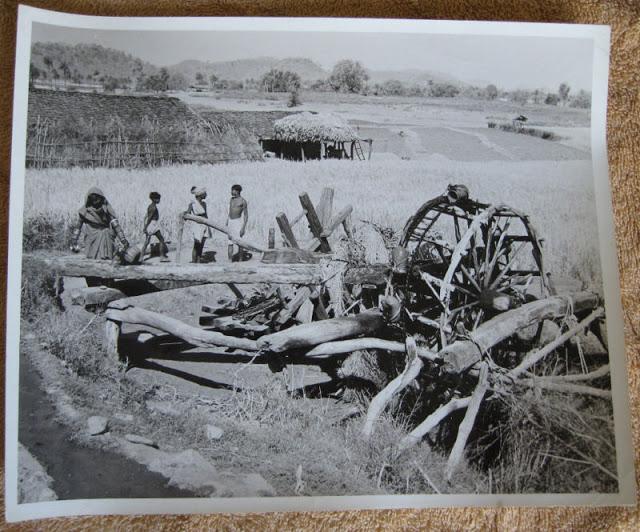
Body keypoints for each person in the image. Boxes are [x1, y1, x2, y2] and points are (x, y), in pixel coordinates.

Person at [71, 186, 128, 260]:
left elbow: (116, 225)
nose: (96, 201)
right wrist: (74, 241)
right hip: (91, 238)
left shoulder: (106, 209)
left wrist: (123, 240)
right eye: (93, 199)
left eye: (97, 198)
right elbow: (78, 227)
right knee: (92, 260)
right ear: (90, 199)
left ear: (101, 198)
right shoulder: (85, 211)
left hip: (106, 238)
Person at [140, 192, 169, 262]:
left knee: (147, 242)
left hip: (151, 224)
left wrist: (145, 226)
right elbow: (149, 218)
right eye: (158, 199)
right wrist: (145, 227)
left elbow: (146, 216)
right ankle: (162, 257)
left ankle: (141, 257)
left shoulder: (150, 206)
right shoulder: (153, 208)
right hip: (153, 224)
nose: (159, 200)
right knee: (161, 239)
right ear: (154, 199)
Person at [185, 187, 211, 263]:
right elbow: (188, 213)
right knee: (196, 244)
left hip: (204, 224)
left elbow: (206, 215)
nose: (206, 195)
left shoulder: (204, 204)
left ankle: (199, 260)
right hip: (197, 225)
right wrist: (184, 214)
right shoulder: (192, 204)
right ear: (200, 195)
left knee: (202, 244)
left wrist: (208, 226)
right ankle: (194, 260)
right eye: (204, 194)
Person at [226, 184, 248, 261]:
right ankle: (229, 260)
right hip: (230, 222)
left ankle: (240, 260)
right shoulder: (231, 199)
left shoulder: (243, 201)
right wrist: (227, 222)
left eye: (233, 190)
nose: (231, 192)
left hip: (238, 222)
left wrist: (243, 227)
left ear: (237, 191)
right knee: (230, 242)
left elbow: (246, 215)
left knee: (240, 242)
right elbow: (229, 212)